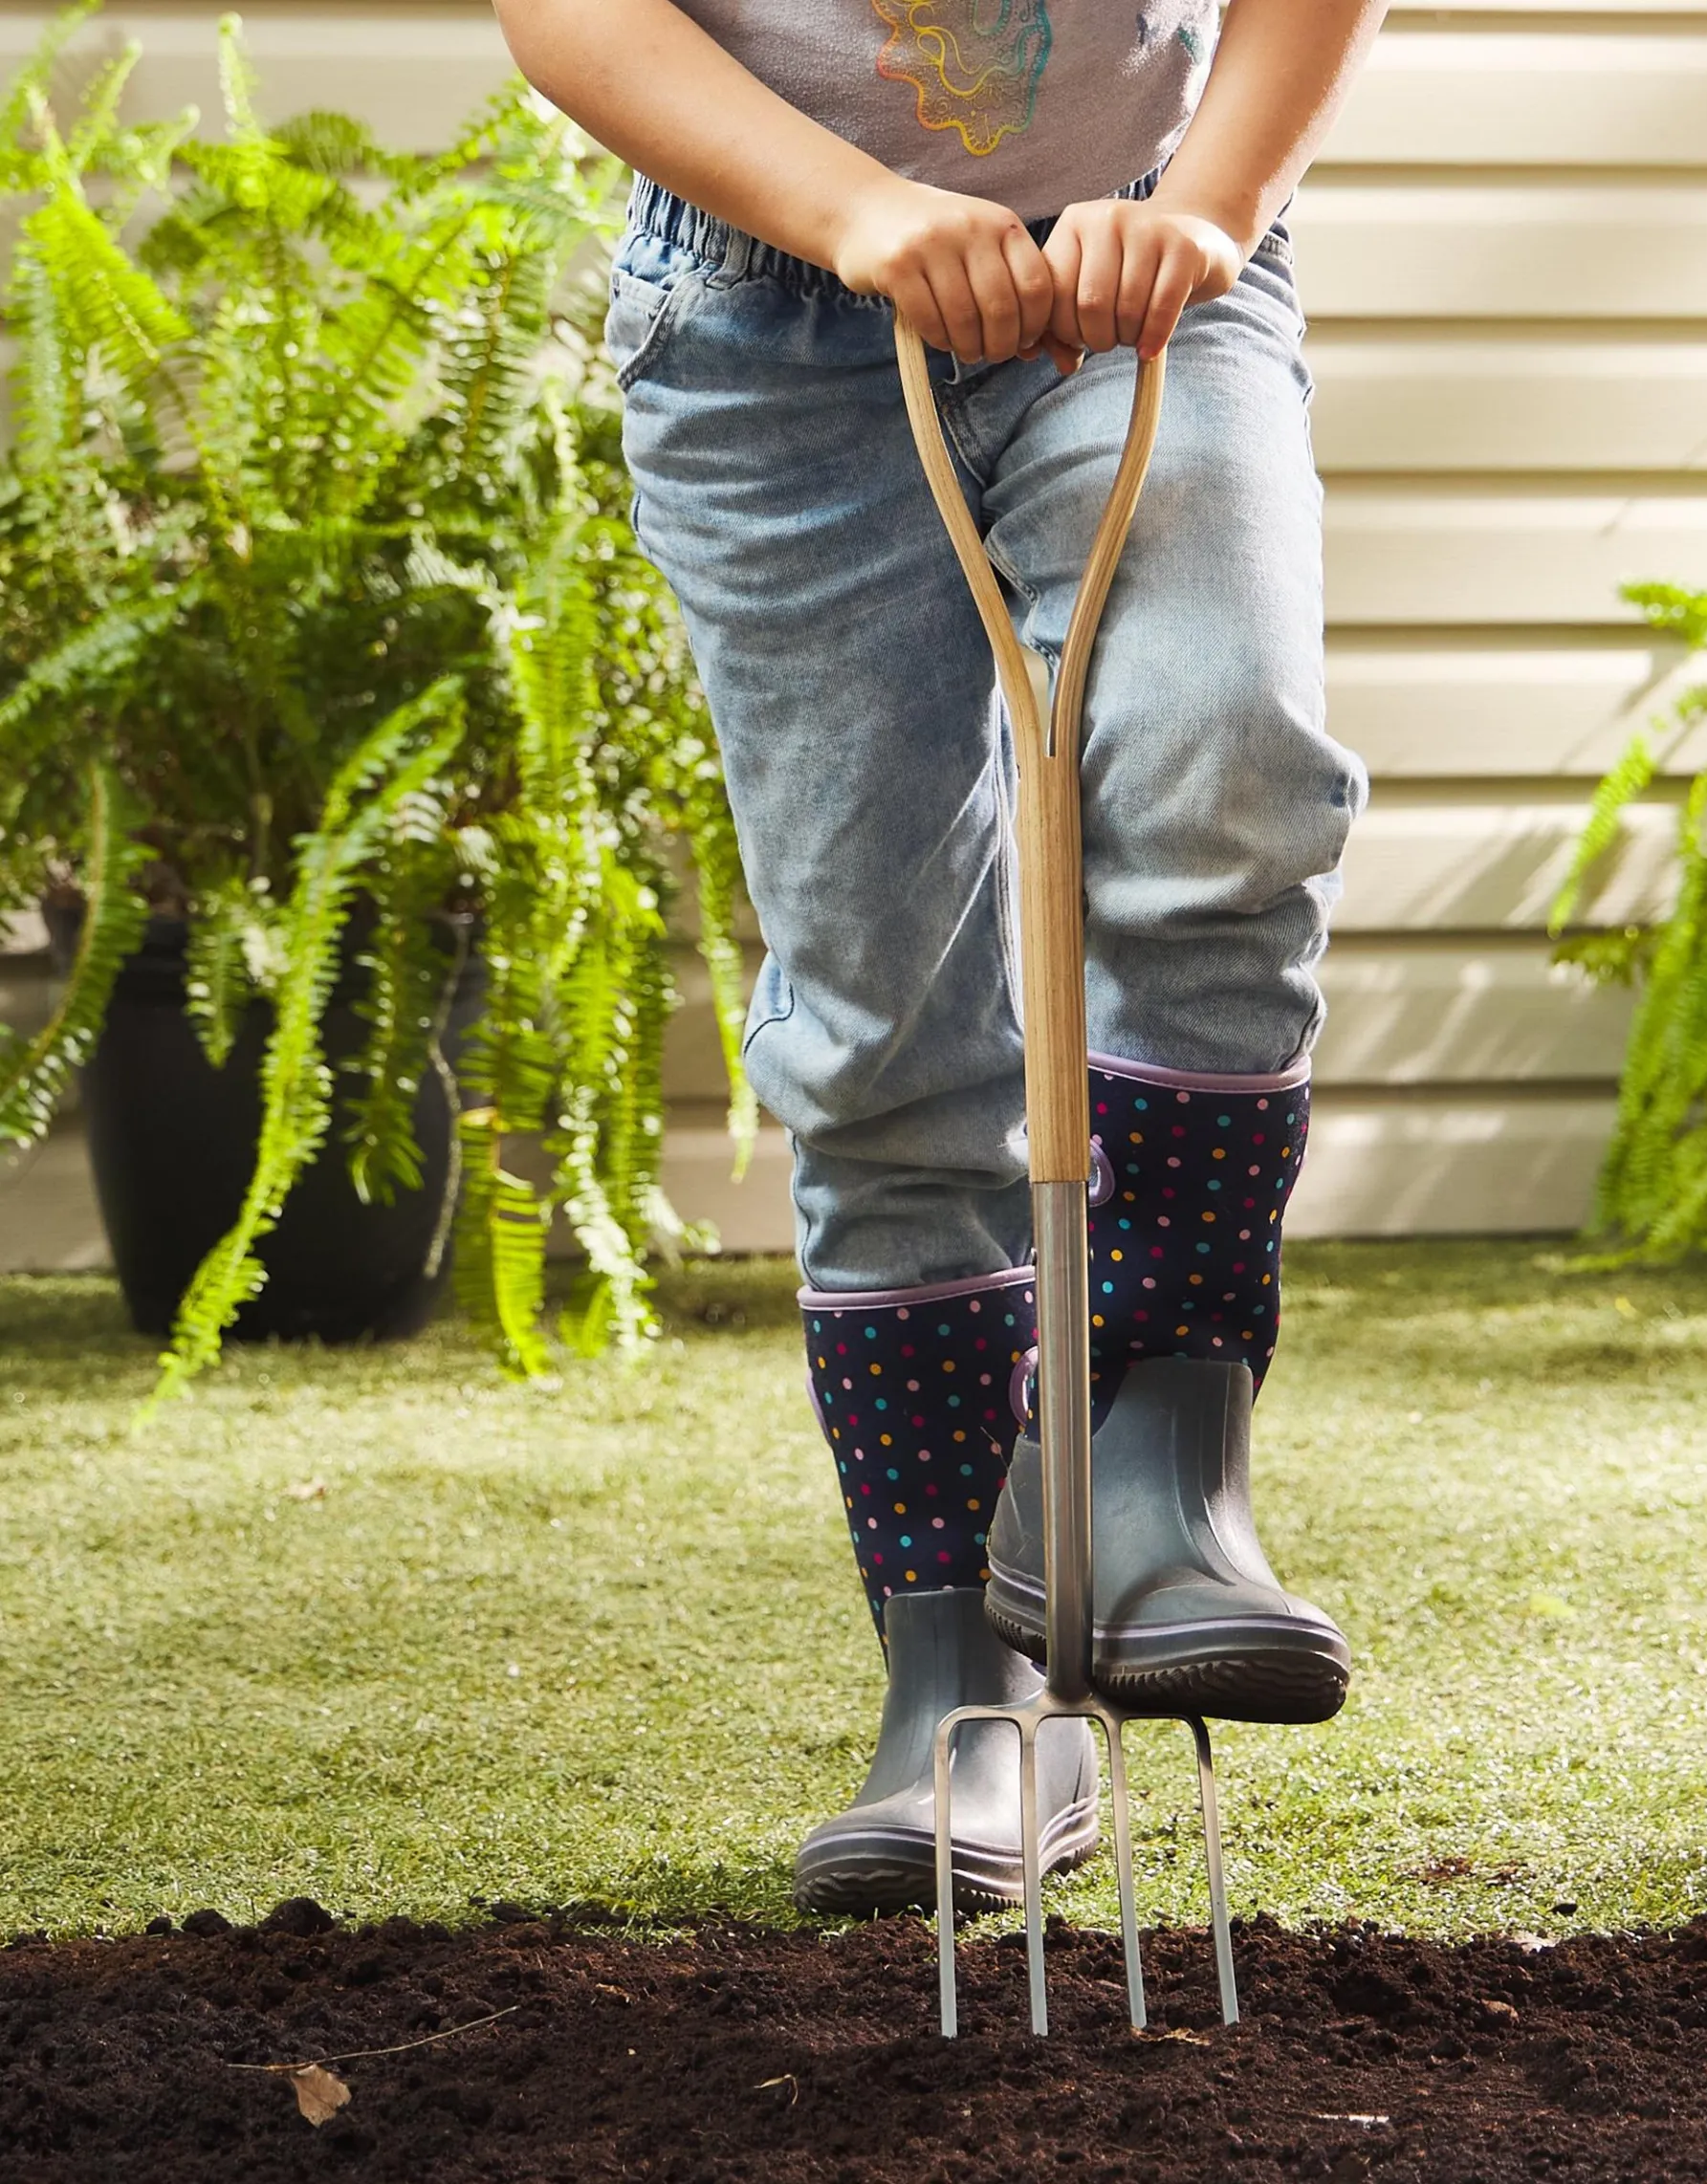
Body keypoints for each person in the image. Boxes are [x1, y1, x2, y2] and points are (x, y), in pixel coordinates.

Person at [492, 0, 1385, 1915]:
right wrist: (857, 210)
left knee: (1231, 755)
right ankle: (960, 1689)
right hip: (764, 323)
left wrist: (1213, 202)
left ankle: (1148, 1468)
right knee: (879, 1009)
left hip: (1146, 259)